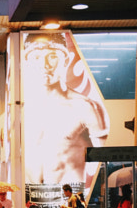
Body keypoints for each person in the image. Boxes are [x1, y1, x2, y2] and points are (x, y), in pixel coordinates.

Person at [22, 32, 109, 187]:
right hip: (31, 196)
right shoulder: (21, 108)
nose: (45, 64)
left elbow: (103, 161)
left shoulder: (85, 107)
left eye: (52, 56)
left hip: (69, 196)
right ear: (27, 62)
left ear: (66, 60)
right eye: (36, 57)